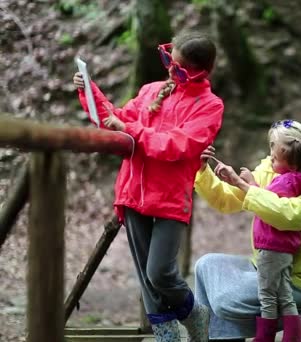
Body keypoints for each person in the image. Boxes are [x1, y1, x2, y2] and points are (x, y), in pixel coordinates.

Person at [73, 30, 224, 342]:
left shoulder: (210, 106)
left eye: (179, 68)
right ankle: (166, 333)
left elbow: (177, 145)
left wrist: (131, 129)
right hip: (133, 190)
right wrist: (91, 92)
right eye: (169, 60)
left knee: (160, 272)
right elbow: (115, 120)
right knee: (145, 275)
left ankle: (194, 313)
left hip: (170, 196)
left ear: (200, 72)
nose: (170, 69)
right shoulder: (152, 90)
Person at [193, 120, 301, 342]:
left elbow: (288, 215)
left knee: (225, 300)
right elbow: (227, 200)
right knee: (205, 265)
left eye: (274, 147)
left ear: (290, 153)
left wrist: (247, 187)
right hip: (263, 265)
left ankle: (300, 318)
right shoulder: (269, 169)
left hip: (297, 282)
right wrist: (202, 170)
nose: (270, 152)